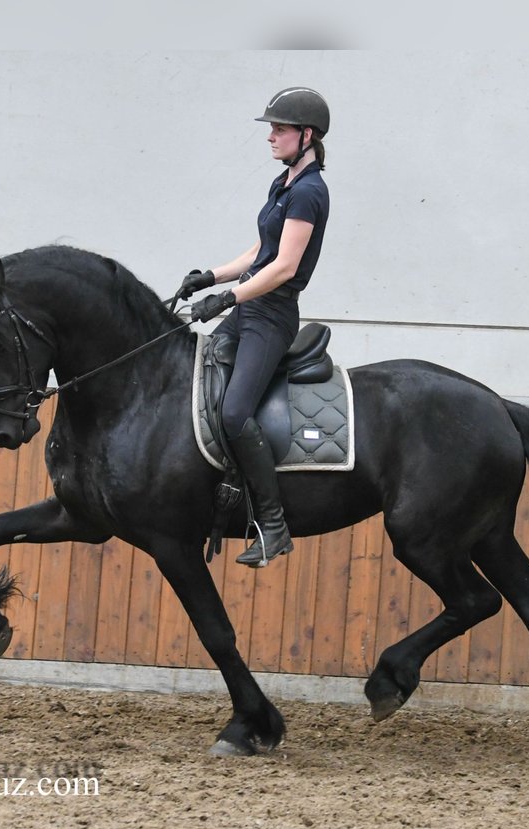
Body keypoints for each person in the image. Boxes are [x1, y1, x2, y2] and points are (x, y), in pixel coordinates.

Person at [178, 86, 331, 568]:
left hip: (272, 315)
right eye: (272, 128)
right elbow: (259, 251)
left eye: (279, 129)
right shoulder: (283, 185)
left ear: (306, 135)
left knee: (233, 413)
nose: (271, 136)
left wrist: (227, 297)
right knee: (198, 390)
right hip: (248, 309)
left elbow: (283, 267)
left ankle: (273, 524)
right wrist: (211, 276)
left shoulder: (310, 191)